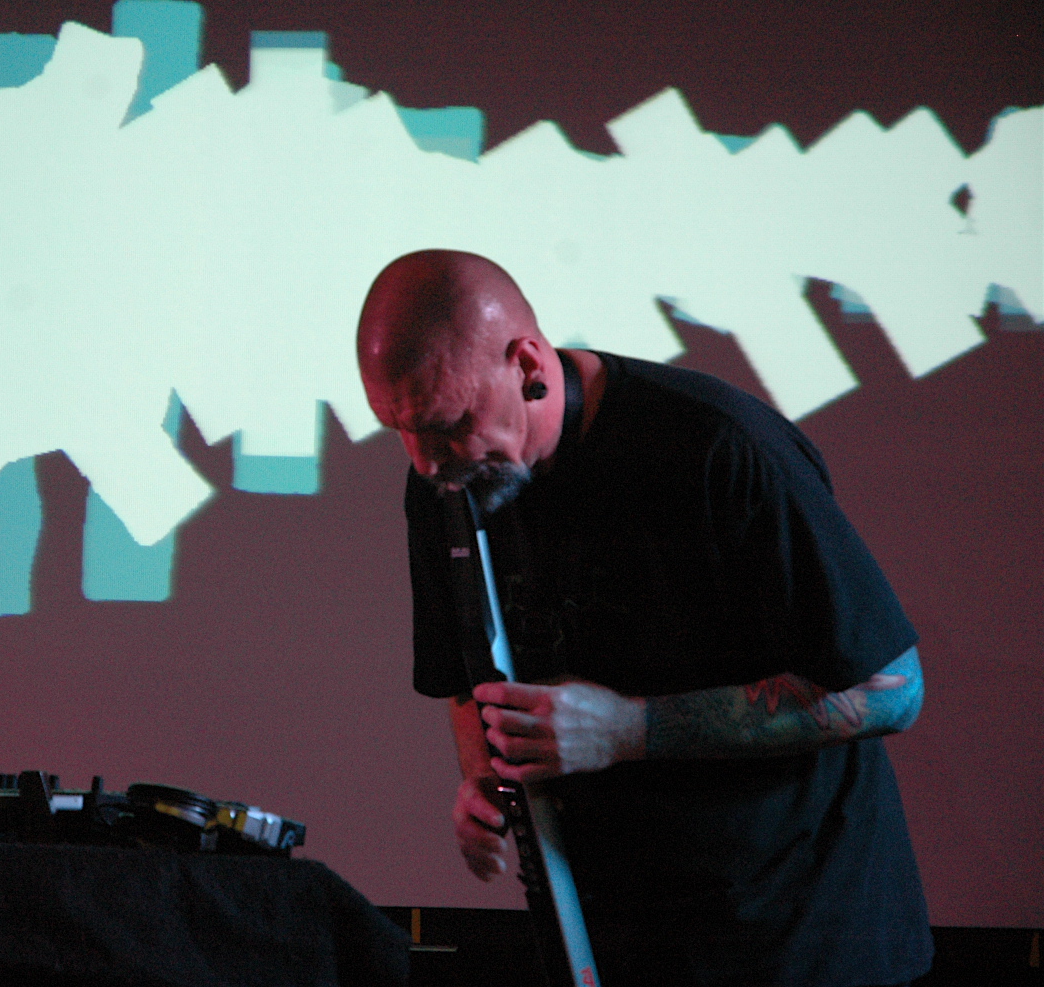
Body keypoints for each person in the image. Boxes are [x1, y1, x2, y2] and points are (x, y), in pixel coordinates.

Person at [356, 249, 932, 987]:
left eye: (449, 424)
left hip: (797, 941)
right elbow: (469, 677)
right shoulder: (448, 481)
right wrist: (490, 783)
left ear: (527, 364)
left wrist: (631, 729)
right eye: (399, 429)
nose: (427, 462)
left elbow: (893, 689)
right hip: (616, 942)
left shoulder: (720, 446)